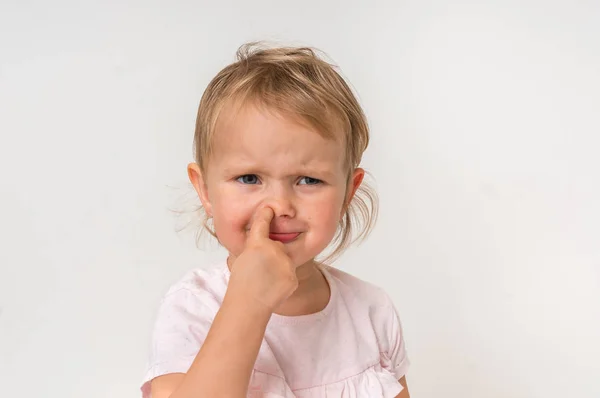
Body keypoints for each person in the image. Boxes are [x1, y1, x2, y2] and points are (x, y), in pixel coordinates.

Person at [141, 43, 411, 398]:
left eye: (309, 180)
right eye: (250, 178)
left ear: (348, 191)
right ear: (205, 190)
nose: (280, 206)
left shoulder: (371, 310)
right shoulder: (193, 307)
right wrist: (247, 302)